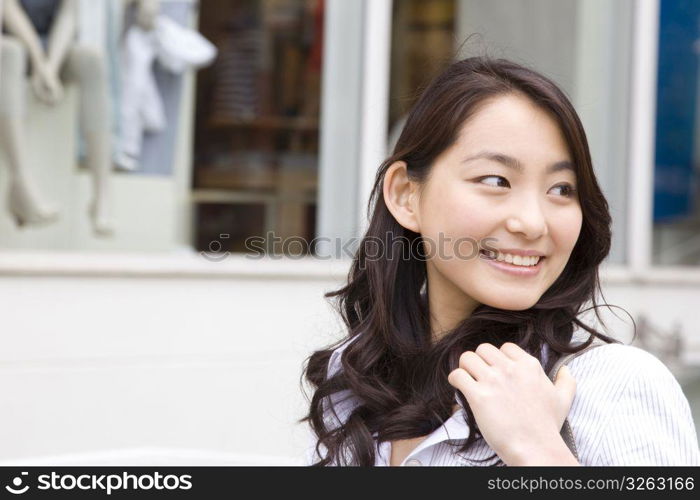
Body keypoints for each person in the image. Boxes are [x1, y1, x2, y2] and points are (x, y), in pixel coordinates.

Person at [300, 55, 700, 466]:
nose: (531, 223)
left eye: (562, 189)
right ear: (406, 195)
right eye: (496, 181)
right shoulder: (357, 386)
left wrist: (539, 450)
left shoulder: (614, 384)